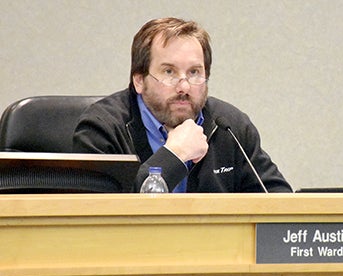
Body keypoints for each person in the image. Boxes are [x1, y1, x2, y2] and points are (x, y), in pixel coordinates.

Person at [72, 17, 292, 193]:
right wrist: (173, 156)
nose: (184, 86)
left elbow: (277, 204)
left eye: (194, 72)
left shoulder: (230, 126)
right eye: (169, 72)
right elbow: (98, 215)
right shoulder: (103, 128)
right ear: (139, 80)